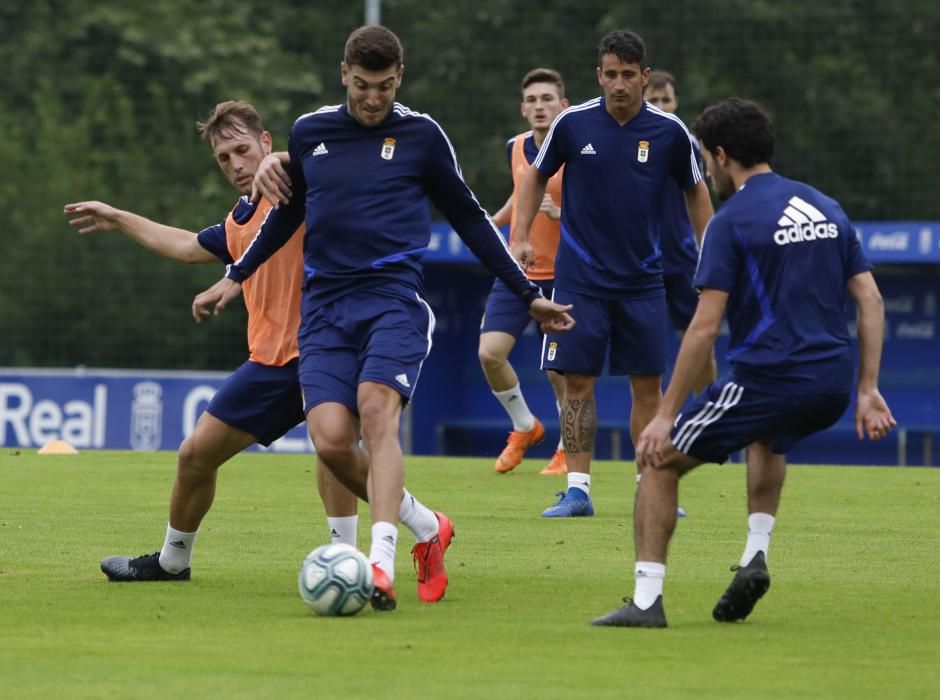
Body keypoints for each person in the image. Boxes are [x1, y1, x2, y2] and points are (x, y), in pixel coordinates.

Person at [191, 26, 574, 611]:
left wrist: (527, 294)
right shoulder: (312, 133)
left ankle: (381, 562)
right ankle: (428, 527)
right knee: (330, 443)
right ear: (345, 74)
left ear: (400, 79)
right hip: (323, 310)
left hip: (393, 300)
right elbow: (286, 217)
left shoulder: (422, 136)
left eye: (386, 87)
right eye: (365, 86)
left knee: (376, 415)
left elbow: (471, 220)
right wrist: (235, 276)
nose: (374, 99)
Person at [64, 102, 450, 601]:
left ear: (266, 143)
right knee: (195, 454)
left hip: (330, 344)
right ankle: (172, 560)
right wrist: (118, 218)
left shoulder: (304, 186)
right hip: (270, 361)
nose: (235, 164)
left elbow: (331, 158)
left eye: (243, 150)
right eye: (224, 157)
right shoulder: (240, 219)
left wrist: (287, 160)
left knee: (334, 452)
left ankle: (351, 561)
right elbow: (185, 246)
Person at [591, 98, 896, 628]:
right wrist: (868, 389)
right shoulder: (825, 205)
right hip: (831, 384)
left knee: (658, 464)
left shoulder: (729, 222)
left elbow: (704, 326)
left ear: (721, 155)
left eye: (707, 158)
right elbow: (870, 300)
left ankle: (645, 603)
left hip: (769, 379)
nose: (707, 167)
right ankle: (755, 555)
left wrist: (664, 415)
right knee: (766, 437)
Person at [512, 30, 714, 518]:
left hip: (644, 280)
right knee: (577, 382)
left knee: (647, 385)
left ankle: (651, 484)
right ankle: (577, 489)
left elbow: (696, 191)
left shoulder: (669, 131)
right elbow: (535, 174)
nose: (619, 84)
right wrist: (519, 235)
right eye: (610, 74)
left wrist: (712, 252)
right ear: (598, 76)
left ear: (644, 76)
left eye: (628, 74)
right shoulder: (572, 124)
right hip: (579, 281)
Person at [480, 68, 570, 476]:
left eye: (547, 98)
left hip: (564, 274)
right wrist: (491, 220)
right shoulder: (515, 147)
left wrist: (561, 214)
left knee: (558, 369)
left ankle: (569, 446)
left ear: (563, 106)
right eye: (532, 100)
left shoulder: (577, 152)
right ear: (523, 108)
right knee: (490, 353)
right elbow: (521, 195)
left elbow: (600, 213)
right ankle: (524, 426)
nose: (539, 106)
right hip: (519, 273)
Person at [643, 70, 718, 394]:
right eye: (653, 100)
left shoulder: (686, 142)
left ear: (676, 102)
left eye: (666, 100)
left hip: (684, 260)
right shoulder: (630, 140)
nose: (660, 105)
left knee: (699, 342)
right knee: (647, 352)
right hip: (643, 261)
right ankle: (657, 433)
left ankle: (711, 421)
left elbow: (701, 199)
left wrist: (708, 251)